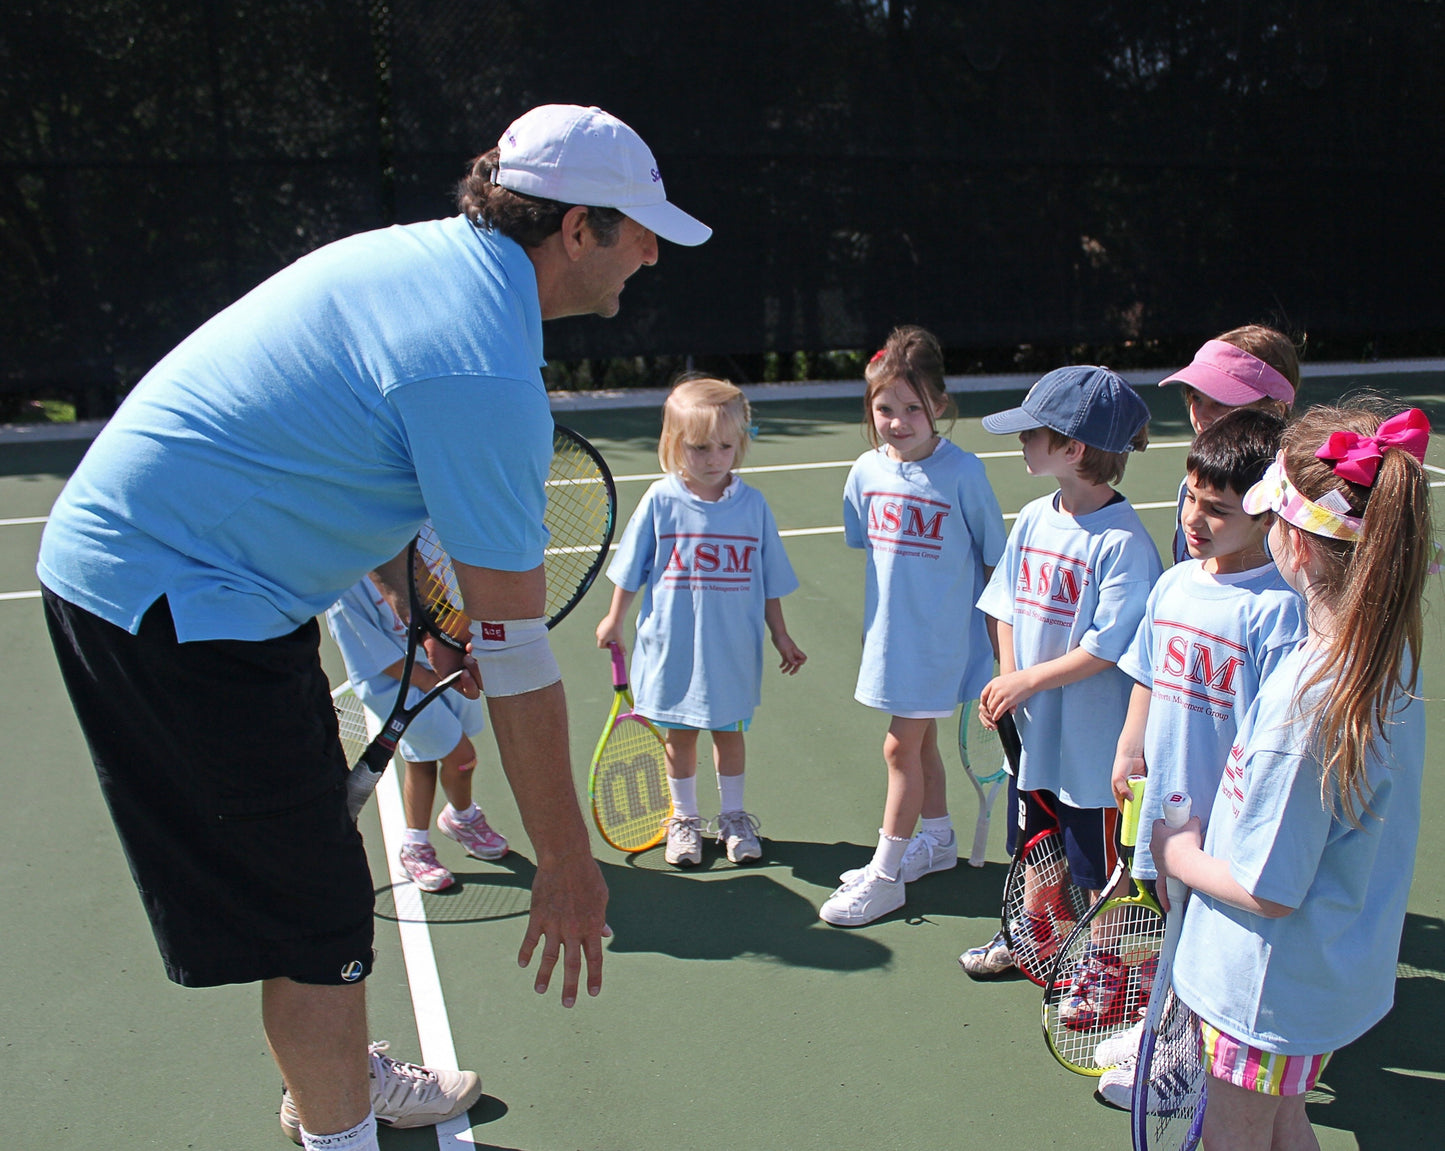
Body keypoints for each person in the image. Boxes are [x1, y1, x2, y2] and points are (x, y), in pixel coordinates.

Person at [37, 103, 709, 1151]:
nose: (652, 251)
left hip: (205, 585)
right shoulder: (481, 362)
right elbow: (519, 655)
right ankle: (338, 1135)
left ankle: (333, 1080)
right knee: (315, 922)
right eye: (635, 228)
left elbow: (355, 458)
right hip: (166, 603)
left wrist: (421, 616)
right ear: (575, 229)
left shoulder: (430, 262)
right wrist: (568, 862)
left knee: (315, 885)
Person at [1152, 401, 1431, 1150]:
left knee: (1237, 1137)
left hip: (1264, 987)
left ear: (1297, 549)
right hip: (1317, 981)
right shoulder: (1383, 658)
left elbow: (1267, 889)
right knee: (1283, 1122)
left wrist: (1177, 851)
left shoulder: (1309, 708)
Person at [1079, 410, 1307, 1105]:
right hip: (1171, 802)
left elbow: (1274, 732)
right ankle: (1163, 1024)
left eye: (1217, 508)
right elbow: (1147, 673)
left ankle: (1184, 1064)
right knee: (1174, 912)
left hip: (1229, 815)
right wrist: (1127, 746)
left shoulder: (1279, 608)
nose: (1195, 518)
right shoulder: (1175, 583)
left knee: (1212, 934)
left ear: (1266, 513)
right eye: (1189, 499)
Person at [960, 365, 1162, 976]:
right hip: (1032, 731)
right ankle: (1034, 938)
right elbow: (1003, 606)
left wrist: (1024, 682)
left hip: (1091, 747)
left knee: (1095, 863)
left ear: (1073, 449)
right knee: (1034, 842)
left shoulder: (1124, 543)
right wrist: (1009, 676)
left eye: (1032, 432)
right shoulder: (1032, 517)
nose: (1020, 441)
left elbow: (1107, 649)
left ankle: (1102, 969)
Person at [818, 327, 1007, 927]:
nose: (897, 422)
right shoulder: (864, 474)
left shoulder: (964, 473)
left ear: (939, 408)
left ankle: (885, 875)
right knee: (919, 743)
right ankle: (938, 839)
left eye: (912, 409)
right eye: (884, 409)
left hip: (943, 641)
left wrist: (993, 645)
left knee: (898, 746)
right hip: (892, 638)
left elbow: (993, 560)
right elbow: (864, 541)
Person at [596, 376, 806, 867]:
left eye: (725, 446)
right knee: (681, 737)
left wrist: (781, 635)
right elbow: (631, 569)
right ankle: (685, 820)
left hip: (733, 651)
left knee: (729, 735)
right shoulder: (660, 501)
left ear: (741, 444)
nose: (714, 457)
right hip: (672, 650)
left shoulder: (753, 506)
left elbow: (769, 580)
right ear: (673, 445)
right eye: (700, 447)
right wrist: (613, 619)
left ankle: (733, 818)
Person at [326, 573, 509, 893]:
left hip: (441, 666)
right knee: (463, 758)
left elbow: (449, 606)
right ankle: (437, 834)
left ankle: (438, 830)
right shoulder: (344, 588)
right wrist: (437, 677)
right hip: (396, 686)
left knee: (425, 760)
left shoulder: (415, 548)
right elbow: (379, 659)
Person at [1158, 325, 1300, 563]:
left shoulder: (1288, 499)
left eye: (1221, 402)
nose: (1201, 413)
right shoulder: (1194, 484)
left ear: (1275, 408)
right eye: (1197, 397)